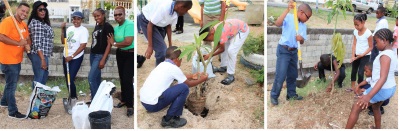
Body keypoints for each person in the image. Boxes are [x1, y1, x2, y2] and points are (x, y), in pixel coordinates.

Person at [140, 46, 208, 128]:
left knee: (177, 85)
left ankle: (171, 115)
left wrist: (192, 76)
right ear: (177, 59)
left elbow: (177, 76)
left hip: (145, 102)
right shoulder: (174, 68)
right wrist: (202, 79)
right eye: (181, 59)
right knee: (184, 88)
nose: (181, 62)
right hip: (153, 105)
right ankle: (169, 119)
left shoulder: (162, 64)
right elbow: (188, 84)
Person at [346, 28, 397, 129]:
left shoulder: (385, 55)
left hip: (383, 89)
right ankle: (377, 128)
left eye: (376, 42)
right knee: (376, 106)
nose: (375, 45)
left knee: (356, 107)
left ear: (384, 40)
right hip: (391, 88)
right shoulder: (392, 53)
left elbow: (383, 78)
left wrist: (368, 96)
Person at [269, 1, 312, 105]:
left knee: (292, 74)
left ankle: (291, 94)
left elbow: (302, 41)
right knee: (281, 74)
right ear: (301, 12)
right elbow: (277, 23)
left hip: (294, 52)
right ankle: (274, 96)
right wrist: (287, 9)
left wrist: (300, 38)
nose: (308, 19)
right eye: (308, 17)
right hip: (284, 50)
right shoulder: (288, 17)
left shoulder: (303, 26)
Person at [0, 2, 31, 119]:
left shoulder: (22, 25)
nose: (24, 13)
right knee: (12, 85)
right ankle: (12, 112)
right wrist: (18, 43)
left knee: (10, 83)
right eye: (22, 11)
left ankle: (3, 102)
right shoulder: (8, 21)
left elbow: (26, 38)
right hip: (8, 60)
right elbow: (1, 37)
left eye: (27, 12)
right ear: (17, 10)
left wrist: (27, 44)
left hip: (17, 59)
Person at [139, 0, 192, 66]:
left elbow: (168, 26)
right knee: (162, 50)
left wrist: (170, 45)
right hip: (147, 21)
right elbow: (150, 25)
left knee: (161, 48)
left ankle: (160, 62)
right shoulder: (164, 8)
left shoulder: (176, 12)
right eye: (186, 10)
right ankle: (160, 72)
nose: (186, 12)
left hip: (160, 24)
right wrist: (150, 46)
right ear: (181, 7)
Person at [200, 19, 249, 85]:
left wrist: (209, 55)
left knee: (231, 51)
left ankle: (231, 75)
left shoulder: (220, 32)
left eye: (209, 40)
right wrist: (209, 55)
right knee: (226, 47)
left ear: (211, 33)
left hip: (241, 30)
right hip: (231, 30)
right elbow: (219, 44)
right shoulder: (214, 30)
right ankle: (223, 67)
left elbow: (221, 49)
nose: (211, 41)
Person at [107, 6, 134, 117]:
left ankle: (130, 105)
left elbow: (128, 42)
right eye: (115, 15)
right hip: (120, 53)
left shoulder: (129, 25)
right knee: (122, 78)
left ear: (124, 14)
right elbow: (111, 39)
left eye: (120, 14)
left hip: (130, 54)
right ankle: (124, 99)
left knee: (127, 79)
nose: (117, 16)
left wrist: (113, 43)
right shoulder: (117, 28)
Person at [60, 11, 89, 104]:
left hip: (76, 57)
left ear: (81, 20)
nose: (76, 20)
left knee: (70, 78)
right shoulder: (69, 29)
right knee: (67, 78)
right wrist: (62, 30)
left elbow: (83, 46)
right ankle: (71, 96)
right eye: (74, 18)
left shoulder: (83, 30)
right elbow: (63, 42)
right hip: (66, 56)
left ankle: (73, 98)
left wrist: (72, 56)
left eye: (78, 19)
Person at [88, 8, 114, 104]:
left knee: (91, 78)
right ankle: (99, 99)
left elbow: (109, 44)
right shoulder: (97, 26)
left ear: (103, 15)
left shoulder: (108, 27)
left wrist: (103, 59)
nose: (96, 18)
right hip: (93, 54)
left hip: (100, 56)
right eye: (95, 16)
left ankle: (95, 101)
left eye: (98, 15)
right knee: (96, 78)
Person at [27, 1, 54, 89]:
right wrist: (42, 59)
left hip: (43, 54)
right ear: (36, 11)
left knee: (43, 77)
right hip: (39, 54)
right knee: (39, 79)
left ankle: (38, 100)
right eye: (40, 10)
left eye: (44, 9)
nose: (43, 11)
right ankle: (35, 101)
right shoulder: (36, 23)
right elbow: (37, 43)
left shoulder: (43, 23)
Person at [348, 14, 373, 93]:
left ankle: (359, 88)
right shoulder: (355, 31)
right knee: (353, 71)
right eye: (354, 25)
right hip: (356, 55)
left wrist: (363, 54)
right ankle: (352, 87)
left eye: (357, 25)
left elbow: (371, 47)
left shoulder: (368, 33)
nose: (356, 27)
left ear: (363, 23)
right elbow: (354, 44)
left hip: (365, 56)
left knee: (360, 72)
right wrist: (353, 55)